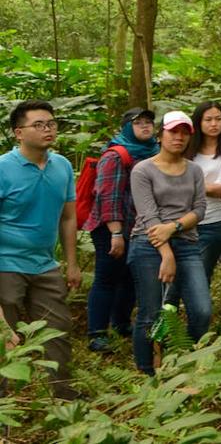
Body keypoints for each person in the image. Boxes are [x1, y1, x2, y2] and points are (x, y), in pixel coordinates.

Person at [0, 101, 78, 398]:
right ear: (19, 133)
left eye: (52, 123)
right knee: (5, 337)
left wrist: (71, 263)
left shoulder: (63, 166)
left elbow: (68, 217)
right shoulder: (3, 168)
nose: (48, 129)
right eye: (39, 125)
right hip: (6, 263)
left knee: (57, 330)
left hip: (45, 264)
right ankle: (4, 406)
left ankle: (62, 397)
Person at [128, 111, 209, 375]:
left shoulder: (194, 170)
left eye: (184, 132)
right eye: (174, 131)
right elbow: (148, 215)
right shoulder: (143, 169)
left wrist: (173, 227)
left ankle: (186, 357)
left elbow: (199, 210)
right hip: (147, 244)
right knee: (150, 312)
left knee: (201, 310)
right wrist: (166, 254)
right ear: (161, 134)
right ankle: (146, 371)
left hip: (186, 243)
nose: (179, 137)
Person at [83, 107, 157, 353]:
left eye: (149, 122)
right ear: (127, 127)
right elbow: (108, 196)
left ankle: (121, 323)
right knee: (107, 278)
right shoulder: (116, 155)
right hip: (110, 226)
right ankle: (97, 333)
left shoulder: (154, 152)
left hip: (138, 227)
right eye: (139, 123)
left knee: (130, 279)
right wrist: (116, 233)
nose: (145, 127)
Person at [188, 102, 221, 284]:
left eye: (218, 119)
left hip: (213, 223)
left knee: (202, 276)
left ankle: (199, 312)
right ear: (198, 122)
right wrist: (205, 187)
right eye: (208, 119)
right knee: (176, 277)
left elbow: (220, 189)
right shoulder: (187, 151)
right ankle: (169, 311)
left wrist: (186, 185)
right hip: (183, 222)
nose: (214, 124)